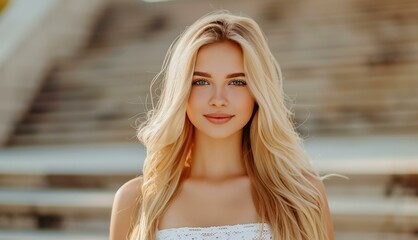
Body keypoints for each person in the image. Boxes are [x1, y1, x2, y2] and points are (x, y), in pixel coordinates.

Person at [110, 10, 335, 240]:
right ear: (181, 92)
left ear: (257, 93)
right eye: (201, 81)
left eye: (237, 82)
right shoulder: (135, 200)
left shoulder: (302, 195)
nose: (218, 99)